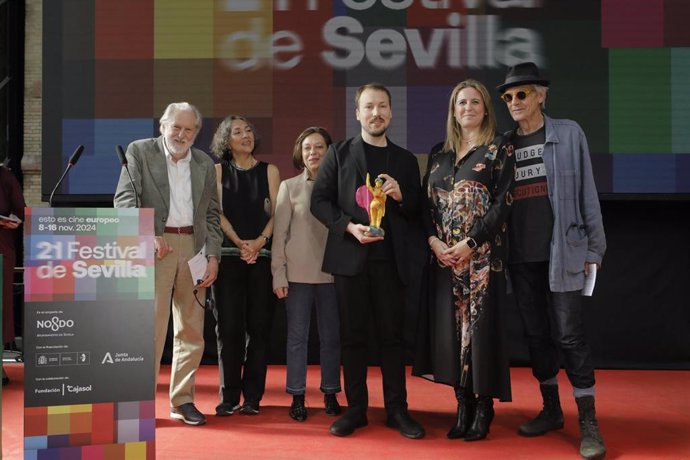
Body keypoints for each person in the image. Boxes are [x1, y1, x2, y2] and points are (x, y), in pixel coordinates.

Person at [497, 62, 607, 460]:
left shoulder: (568, 133)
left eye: (521, 94)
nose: (514, 102)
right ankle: (551, 409)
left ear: (541, 95)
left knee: (569, 336)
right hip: (520, 257)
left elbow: (588, 194)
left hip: (565, 254)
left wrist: (595, 248)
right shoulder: (504, 144)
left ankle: (589, 423)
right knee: (536, 336)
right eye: (507, 97)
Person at [311, 83, 425, 439]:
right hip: (351, 259)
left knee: (393, 339)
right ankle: (356, 410)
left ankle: (397, 410)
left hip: (392, 263)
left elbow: (417, 211)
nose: (376, 113)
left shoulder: (405, 160)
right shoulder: (339, 154)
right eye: (369, 107)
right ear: (358, 113)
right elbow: (320, 202)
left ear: (391, 113)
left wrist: (402, 195)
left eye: (383, 107)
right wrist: (349, 228)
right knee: (352, 338)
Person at [415, 79, 515, 441]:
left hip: (482, 262)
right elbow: (425, 207)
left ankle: (483, 406)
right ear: (453, 110)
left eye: (475, 102)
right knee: (452, 334)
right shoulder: (439, 153)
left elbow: (504, 202)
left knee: (480, 333)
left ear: (486, 109)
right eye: (461, 103)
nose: (468, 108)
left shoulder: (499, 148)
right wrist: (433, 241)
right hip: (444, 262)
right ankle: (462, 403)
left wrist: (471, 242)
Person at [114, 102, 222, 426]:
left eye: (189, 129)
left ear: (196, 133)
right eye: (176, 127)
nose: (181, 134)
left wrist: (213, 255)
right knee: (150, 330)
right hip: (155, 248)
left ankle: (183, 401)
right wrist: (147, 233)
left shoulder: (203, 162)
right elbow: (124, 200)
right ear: (162, 125)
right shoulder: (140, 152)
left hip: (194, 248)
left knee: (192, 330)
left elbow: (213, 215)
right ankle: (138, 405)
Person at [210, 115, 280, 416]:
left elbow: (279, 213)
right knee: (228, 328)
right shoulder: (217, 171)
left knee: (260, 328)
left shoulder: (270, 171)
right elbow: (216, 211)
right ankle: (229, 397)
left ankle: (253, 397)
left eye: (248, 130)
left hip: (261, 258)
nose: (246, 135)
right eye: (237, 132)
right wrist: (239, 242)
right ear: (226, 140)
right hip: (228, 258)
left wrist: (259, 242)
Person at [271, 127, 342, 422]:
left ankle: (330, 391)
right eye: (307, 148)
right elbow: (279, 235)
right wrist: (278, 274)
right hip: (297, 275)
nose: (313, 153)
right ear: (300, 154)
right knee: (297, 338)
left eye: (319, 147)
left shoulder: (342, 186)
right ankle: (297, 394)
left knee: (332, 338)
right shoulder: (288, 187)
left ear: (329, 151)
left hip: (333, 275)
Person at [0, 163, 25, 386]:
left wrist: (12, 221)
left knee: (1, 306)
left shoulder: (5, 177)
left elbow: (20, 212)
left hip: (1, 251)